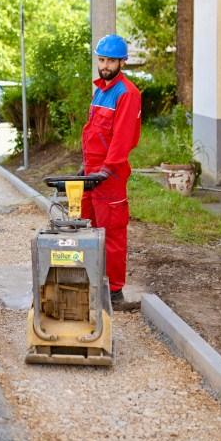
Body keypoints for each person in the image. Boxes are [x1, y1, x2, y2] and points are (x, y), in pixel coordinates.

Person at [79, 34, 142, 307]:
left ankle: (115, 291)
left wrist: (106, 169)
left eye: (110, 61)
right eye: (101, 60)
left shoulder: (127, 93)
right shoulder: (100, 90)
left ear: (122, 62)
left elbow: (123, 137)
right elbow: (93, 131)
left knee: (112, 231)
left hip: (110, 175)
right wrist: (85, 165)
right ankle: (93, 281)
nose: (104, 65)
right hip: (92, 171)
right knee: (87, 226)